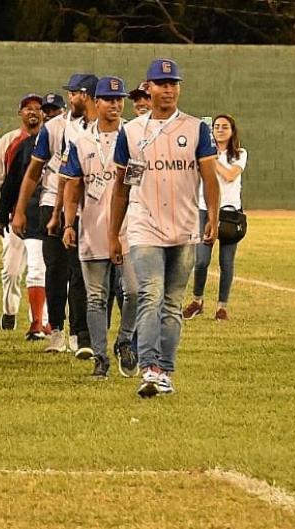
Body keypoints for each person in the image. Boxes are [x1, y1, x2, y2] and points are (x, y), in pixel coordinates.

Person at [109, 58, 220, 398]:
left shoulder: (196, 128)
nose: (168, 89)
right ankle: (149, 368)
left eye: (173, 83)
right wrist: (114, 232)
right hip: (144, 225)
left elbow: (209, 176)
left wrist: (212, 214)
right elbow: (121, 187)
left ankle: (165, 371)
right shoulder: (132, 132)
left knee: (172, 303)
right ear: (149, 88)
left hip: (184, 226)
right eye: (161, 83)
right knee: (150, 295)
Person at [58, 76, 138, 379]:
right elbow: (72, 186)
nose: (115, 105)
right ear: (96, 102)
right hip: (92, 226)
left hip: (129, 228)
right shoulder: (80, 140)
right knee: (95, 298)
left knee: (133, 290)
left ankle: (125, 340)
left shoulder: (132, 136)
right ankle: (101, 358)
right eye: (109, 99)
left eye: (119, 100)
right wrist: (68, 223)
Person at [11, 74, 97, 357]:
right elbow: (34, 172)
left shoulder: (103, 128)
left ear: (86, 95)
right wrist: (21, 210)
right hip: (53, 204)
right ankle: (57, 329)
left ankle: (80, 333)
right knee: (57, 269)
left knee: (82, 272)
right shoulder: (55, 128)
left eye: (75, 93)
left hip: (92, 206)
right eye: (70, 94)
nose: (71, 99)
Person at [0, 94, 47, 337]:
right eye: (27, 108)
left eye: (37, 108)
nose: (32, 112)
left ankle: (38, 322)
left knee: (38, 268)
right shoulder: (10, 140)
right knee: (11, 271)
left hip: (39, 217)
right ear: (19, 112)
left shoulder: (50, 139)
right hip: (13, 216)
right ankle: (10, 310)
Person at [186, 114, 246, 321]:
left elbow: (230, 175)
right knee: (201, 260)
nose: (220, 130)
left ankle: (222, 307)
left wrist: (211, 159)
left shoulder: (239, 154)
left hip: (230, 213)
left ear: (232, 131)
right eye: (216, 127)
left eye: (224, 127)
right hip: (205, 209)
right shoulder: (202, 152)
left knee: (226, 262)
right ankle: (197, 301)